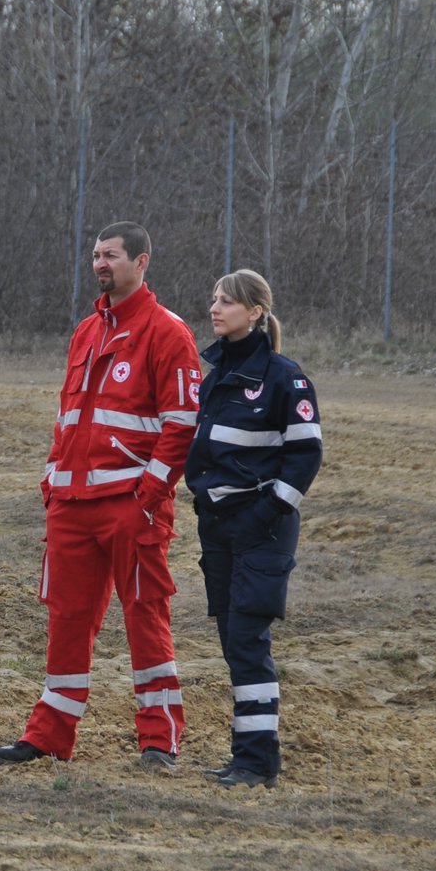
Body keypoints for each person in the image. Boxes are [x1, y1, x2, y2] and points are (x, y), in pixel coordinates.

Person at [0, 222, 201, 770]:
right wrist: (52, 483)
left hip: (131, 508)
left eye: (111, 256)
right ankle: (49, 737)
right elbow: (68, 416)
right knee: (65, 619)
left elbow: (181, 425)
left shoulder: (168, 332)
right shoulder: (86, 330)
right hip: (71, 508)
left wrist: (148, 497)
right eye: (95, 256)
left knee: (145, 619)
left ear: (142, 262)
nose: (100, 265)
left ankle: (159, 740)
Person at [185, 270, 322, 789]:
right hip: (217, 527)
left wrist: (265, 513)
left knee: (247, 640)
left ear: (256, 312)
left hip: (260, 529)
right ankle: (246, 758)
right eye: (213, 299)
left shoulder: (286, 377)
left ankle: (257, 763)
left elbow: (306, 457)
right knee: (231, 639)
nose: (215, 309)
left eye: (226, 302)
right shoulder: (215, 371)